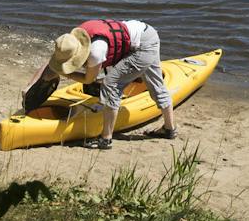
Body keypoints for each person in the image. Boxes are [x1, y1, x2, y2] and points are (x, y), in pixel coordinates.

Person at [20, 18, 177, 150]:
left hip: (143, 46)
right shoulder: (70, 41)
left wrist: (67, 73)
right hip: (144, 32)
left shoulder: (96, 51)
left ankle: (105, 139)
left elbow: (89, 80)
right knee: (155, 84)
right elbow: (51, 63)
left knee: (111, 84)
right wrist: (30, 86)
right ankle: (169, 130)